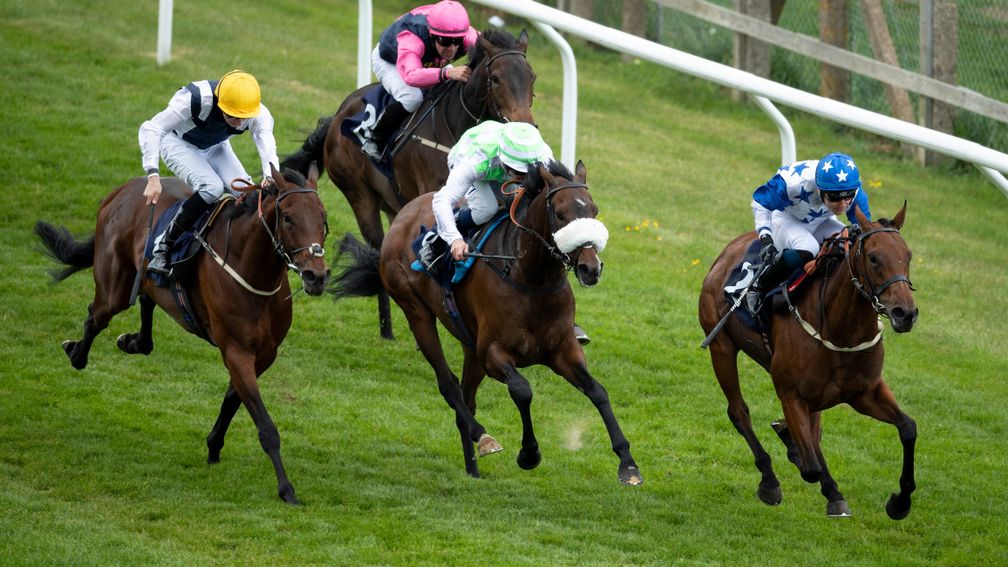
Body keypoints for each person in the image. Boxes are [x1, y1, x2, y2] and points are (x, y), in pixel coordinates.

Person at [419, 120, 591, 344]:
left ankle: (564, 318)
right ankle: (435, 241)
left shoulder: (543, 156)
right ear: (506, 162)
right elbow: (442, 199)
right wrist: (454, 240)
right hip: (471, 154)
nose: (520, 179)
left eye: (525, 173)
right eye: (516, 172)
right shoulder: (476, 160)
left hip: (508, 158)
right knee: (486, 208)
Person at [139, 70, 279, 276]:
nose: (239, 123)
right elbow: (152, 128)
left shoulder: (258, 113)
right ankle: (163, 245)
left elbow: (267, 146)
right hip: (176, 142)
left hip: (215, 145)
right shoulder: (195, 98)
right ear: (220, 103)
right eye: (232, 116)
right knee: (211, 187)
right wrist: (152, 175)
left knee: (249, 195)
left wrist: (270, 177)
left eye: (244, 118)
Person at [745, 151, 872, 316]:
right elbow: (760, 202)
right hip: (785, 218)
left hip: (820, 221)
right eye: (835, 198)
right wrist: (765, 237)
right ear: (820, 190)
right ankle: (759, 285)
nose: (842, 205)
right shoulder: (793, 183)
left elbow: (866, 230)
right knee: (809, 248)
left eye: (847, 198)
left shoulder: (853, 187)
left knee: (846, 244)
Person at [362, 0, 479, 161]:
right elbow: (411, 75)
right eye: (444, 41)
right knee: (412, 97)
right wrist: (446, 73)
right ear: (432, 35)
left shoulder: (468, 36)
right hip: (392, 61)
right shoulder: (412, 38)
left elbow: (492, 49)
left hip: (425, 60)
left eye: (457, 41)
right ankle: (374, 138)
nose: (452, 48)